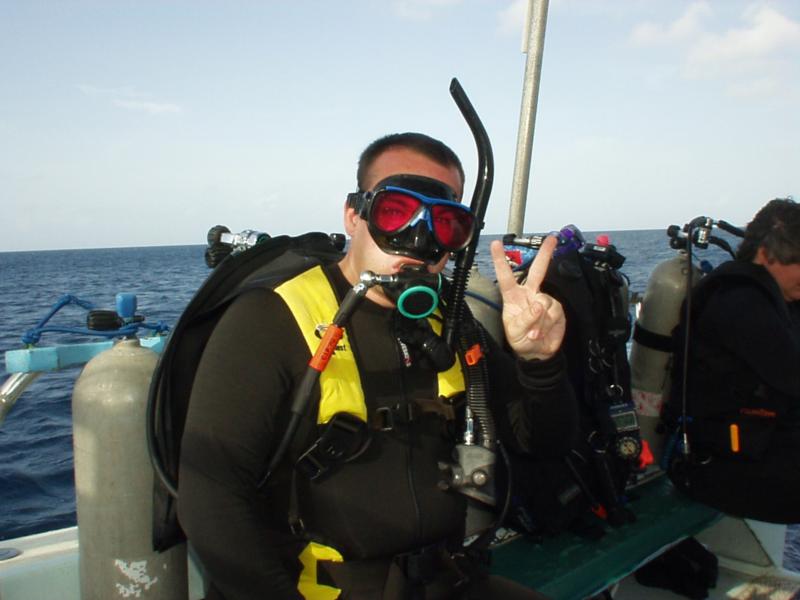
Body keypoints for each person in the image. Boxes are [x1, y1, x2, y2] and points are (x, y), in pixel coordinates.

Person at [177, 132, 578, 599]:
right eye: (396, 212)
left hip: (446, 582)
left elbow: (541, 442)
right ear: (354, 215)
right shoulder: (270, 317)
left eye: (445, 224)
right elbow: (211, 502)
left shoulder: (449, 319)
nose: (419, 238)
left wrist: (539, 362)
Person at [667, 198, 800, 523]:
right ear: (766, 255)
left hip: (762, 453)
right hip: (721, 470)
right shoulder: (740, 304)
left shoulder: (780, 300)